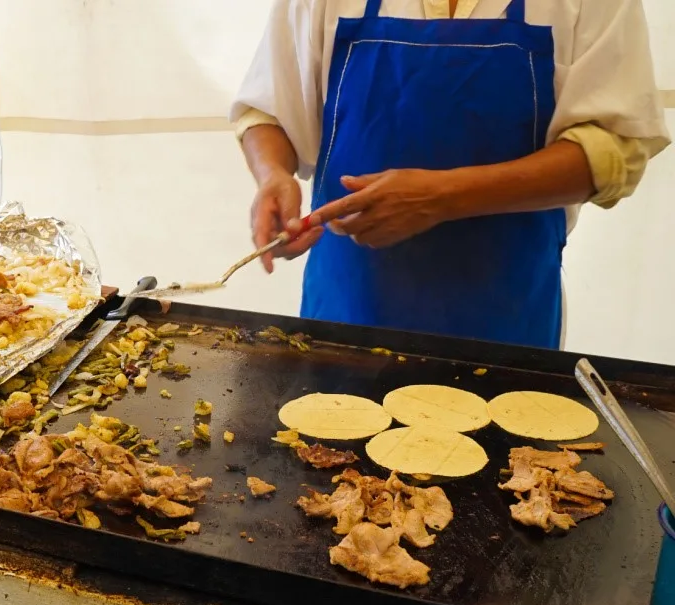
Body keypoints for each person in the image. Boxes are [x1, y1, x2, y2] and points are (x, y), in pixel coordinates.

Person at [231, 0, 670, 348]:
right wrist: (274, 174)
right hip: (345, 318)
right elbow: (269, 109)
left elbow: (613, 149)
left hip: (505, 325)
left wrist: (443, 197)